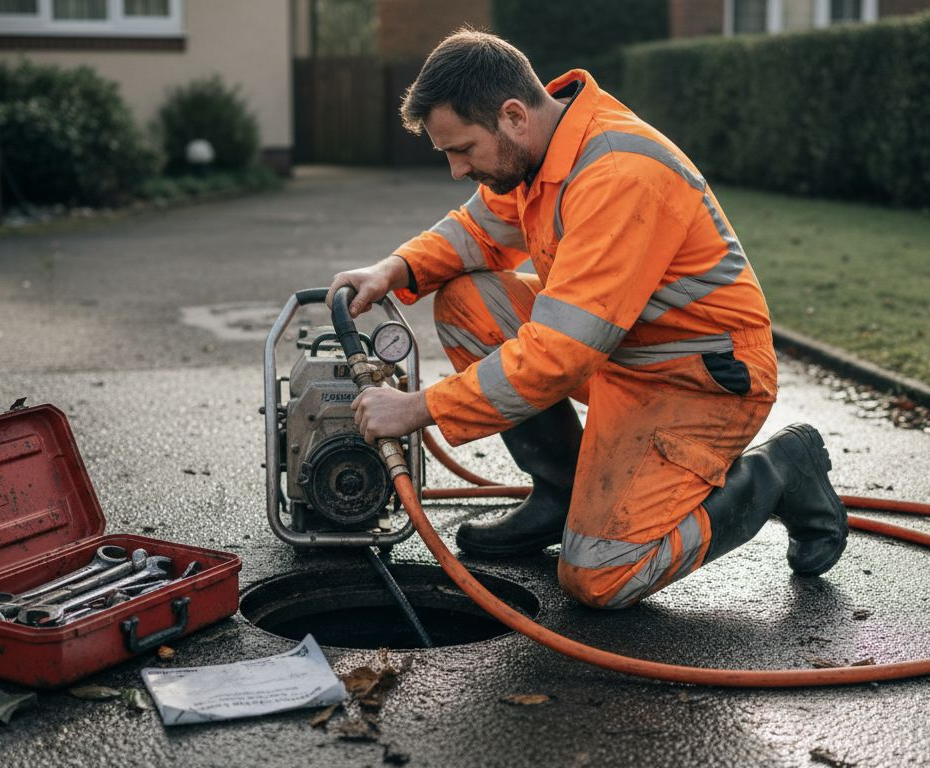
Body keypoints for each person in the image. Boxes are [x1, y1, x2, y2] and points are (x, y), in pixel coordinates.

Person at [328, 29, 847, 609]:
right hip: (622, 352)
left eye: (463, 150)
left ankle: (779, 472)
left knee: (600, 577)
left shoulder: (617, 174)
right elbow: (477, 231)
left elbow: (559, 354)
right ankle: (562, 495)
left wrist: (418, 409)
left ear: (513, 116)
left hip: (697, 379)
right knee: (467, 303)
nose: (456, 170)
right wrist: (392, 270)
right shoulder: (540, 150)